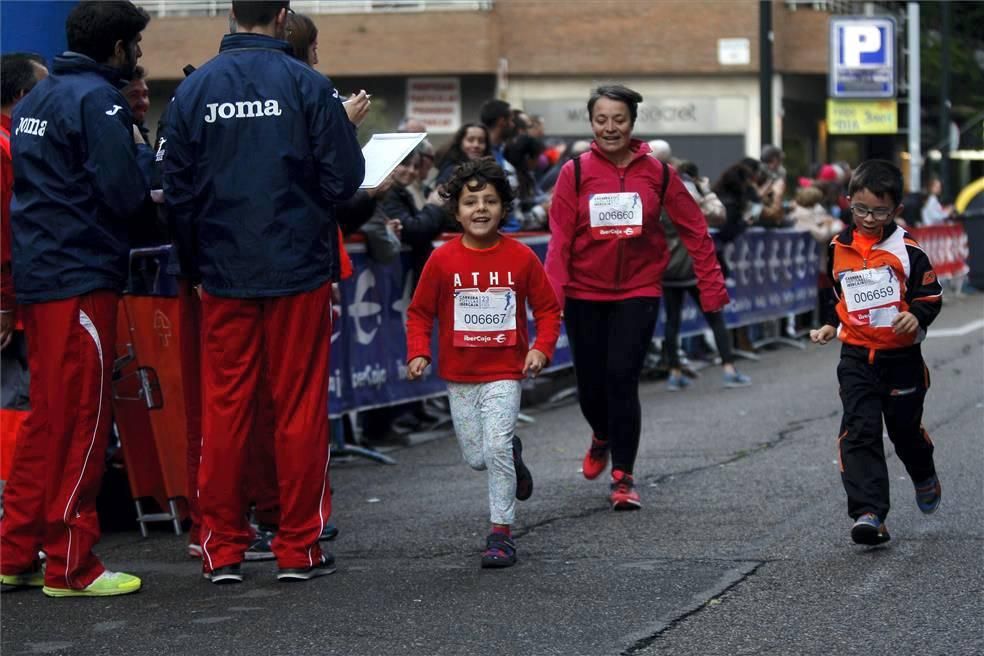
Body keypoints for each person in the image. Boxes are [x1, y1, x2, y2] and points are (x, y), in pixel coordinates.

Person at [163, 0, 365, 584]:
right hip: (296, 268)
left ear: (230, 15)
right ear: (281, 16)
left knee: (225, 410)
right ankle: (298, 547)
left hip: (222, 271)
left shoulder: (194, 89)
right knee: (298, 409)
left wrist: (194, 262)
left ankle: (221, 547)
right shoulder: (309, 84)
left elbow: (174, 188)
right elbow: (345, 179)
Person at [0, 0, 152, 597]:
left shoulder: (38, 97)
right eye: (134, 47)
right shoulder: (97, 99)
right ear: (116, 48)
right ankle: (71, 564)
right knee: (83, 425)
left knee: (48, 424)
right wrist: (144, 154)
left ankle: (15, 553)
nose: (138, 58)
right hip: (80, 278)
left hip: (43, 277)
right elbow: (125, 194)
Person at [544, 85, 727, 510]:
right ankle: (601, 435)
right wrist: (551, 305)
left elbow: (695, 229)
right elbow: (558, 244)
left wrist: (712, 287)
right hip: (583, 291)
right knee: (590, 388)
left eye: (619, 119)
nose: (610, 128)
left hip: (638, 291)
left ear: (632, 122)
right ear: (592, 123)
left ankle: (623, 476)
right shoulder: (574, 172)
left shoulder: (659, 173)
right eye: (602, 120)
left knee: (623, 378)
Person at [405, 157, 561, 568]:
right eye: (471, 202)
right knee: (478, 456)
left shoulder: (522, 257)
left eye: (490, 201)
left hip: (505, 371)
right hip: (459, 374)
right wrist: (418, 350)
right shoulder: (441, 260)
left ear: (503, 209)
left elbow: (548, 309)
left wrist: (541, 348)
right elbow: (420, 312)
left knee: (493, 448)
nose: (481, 209)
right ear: (455, 211)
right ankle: (512, 451)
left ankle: (501, 534)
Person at [810, 159, 943, 546]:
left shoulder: (909, 250)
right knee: (859, 429)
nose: (869, 218)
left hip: (901, 359)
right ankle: (869, 513)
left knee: (904, 432)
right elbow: (834, 296)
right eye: (861, 209)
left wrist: (915, 317)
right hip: (856, 356)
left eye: (880, 211)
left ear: (896, 209)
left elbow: (931, 296)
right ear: (849, 203)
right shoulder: (838, 246)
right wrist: (828, 326)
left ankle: (922, 472)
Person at [662, 161, 750, 390]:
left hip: (668, 268)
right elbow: (718, 215)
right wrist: (706, 191)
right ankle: (729, 369)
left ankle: (674, 372)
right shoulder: (686, 195)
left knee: (672, 321)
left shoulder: (653, 196)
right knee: (715, 318)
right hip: (694, 266)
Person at [1, 53, 48, 352]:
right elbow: (4, 231)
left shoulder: (13, 141)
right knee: (15, 397)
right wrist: (5, 303)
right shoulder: (5, 147)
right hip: (11, 313)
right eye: (45, 93)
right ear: (22, 96)